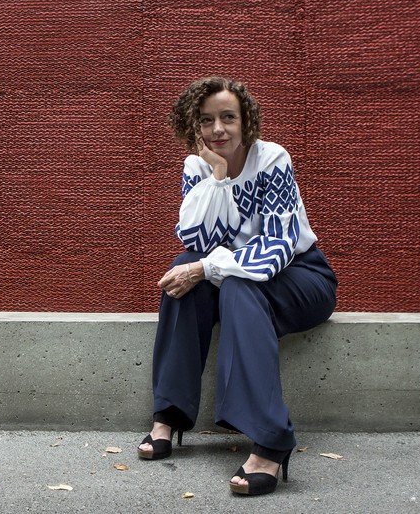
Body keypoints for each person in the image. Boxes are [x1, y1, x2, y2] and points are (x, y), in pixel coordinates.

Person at [137, 76, 338, 496]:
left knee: (234, 286)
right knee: (183, 269)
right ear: (193, 126)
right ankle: (168, 415)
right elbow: (196, 241)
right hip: (236, 272)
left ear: (246, 120)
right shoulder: (198, 167)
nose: (218, 130)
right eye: (207, 120)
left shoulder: (272, 159)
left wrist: (209, 269)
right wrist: (220, 176)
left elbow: (279, 245)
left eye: (228, 117)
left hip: (299, 277)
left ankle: (272, 438)